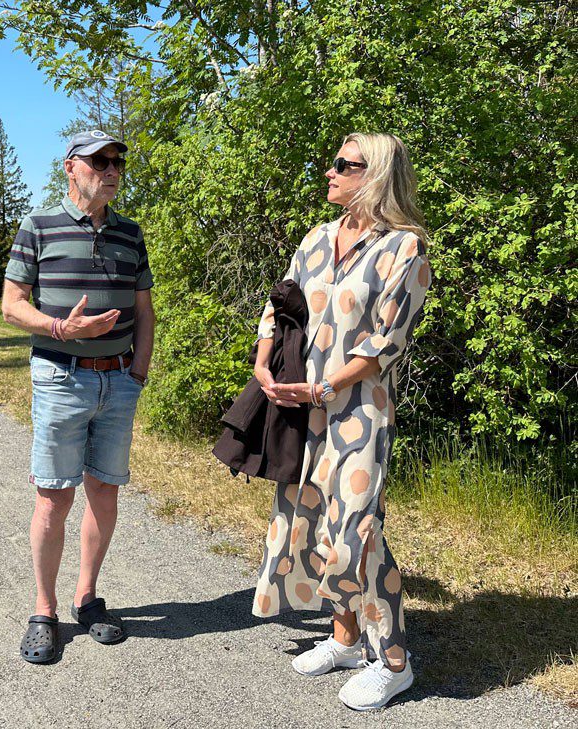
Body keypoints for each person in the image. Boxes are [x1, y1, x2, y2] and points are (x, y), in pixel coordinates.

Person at [250, 133, 431, 710]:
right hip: (306, 408)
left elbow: (387, 342)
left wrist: (328, 384)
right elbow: (283, 305)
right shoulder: (317, 238)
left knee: (357, 530)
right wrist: (262, 354)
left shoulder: (404, 248)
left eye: (342, 166)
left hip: (360, 410)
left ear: (374, 175)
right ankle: (346, 638)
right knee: (319, 521)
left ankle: (395, 661)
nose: (328, 172)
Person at [2, 130, 155, 663]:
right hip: (60, 376)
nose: (111, 170)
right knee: (53, 497)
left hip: (119, 381)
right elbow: (11, 306)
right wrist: (62, 330)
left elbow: (145, 309)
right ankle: (43, 611)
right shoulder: (37, 226)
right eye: (99, 161)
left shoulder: (131, 234)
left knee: (104, 492)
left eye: (116, 162)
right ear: (71, 167)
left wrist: (138, 368)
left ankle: (86, 599)